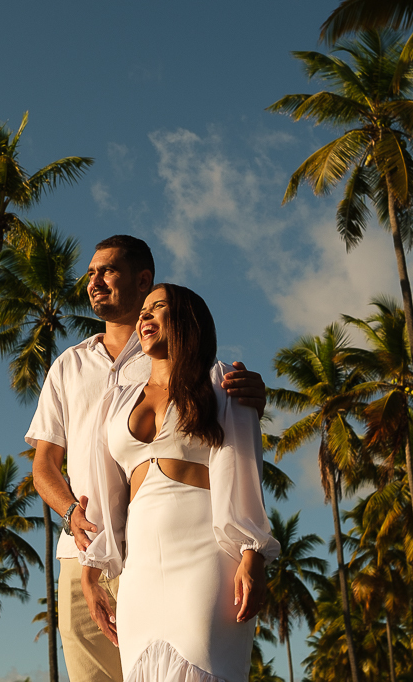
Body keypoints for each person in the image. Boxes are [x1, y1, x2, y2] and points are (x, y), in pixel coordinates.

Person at [25, 236, 266, 682]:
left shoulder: (210, 375)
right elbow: (44, 466)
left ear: (143, 279)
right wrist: (74, 521)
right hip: (94, 550)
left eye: (107, 271)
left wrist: (251, 547)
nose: (94, 281)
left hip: (196, 546)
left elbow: (236, 454)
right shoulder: (69, 366)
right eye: (91, 273)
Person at [78, 283, 278, 682]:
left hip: (207, 560)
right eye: (143, 311)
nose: (144, 316)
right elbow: (105, 494)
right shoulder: (116, 400)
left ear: (187, 320)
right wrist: (90, 578)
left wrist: (252, 556)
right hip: (140, 570)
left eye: (158, 308)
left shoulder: (222, 383)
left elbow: (243, 474)